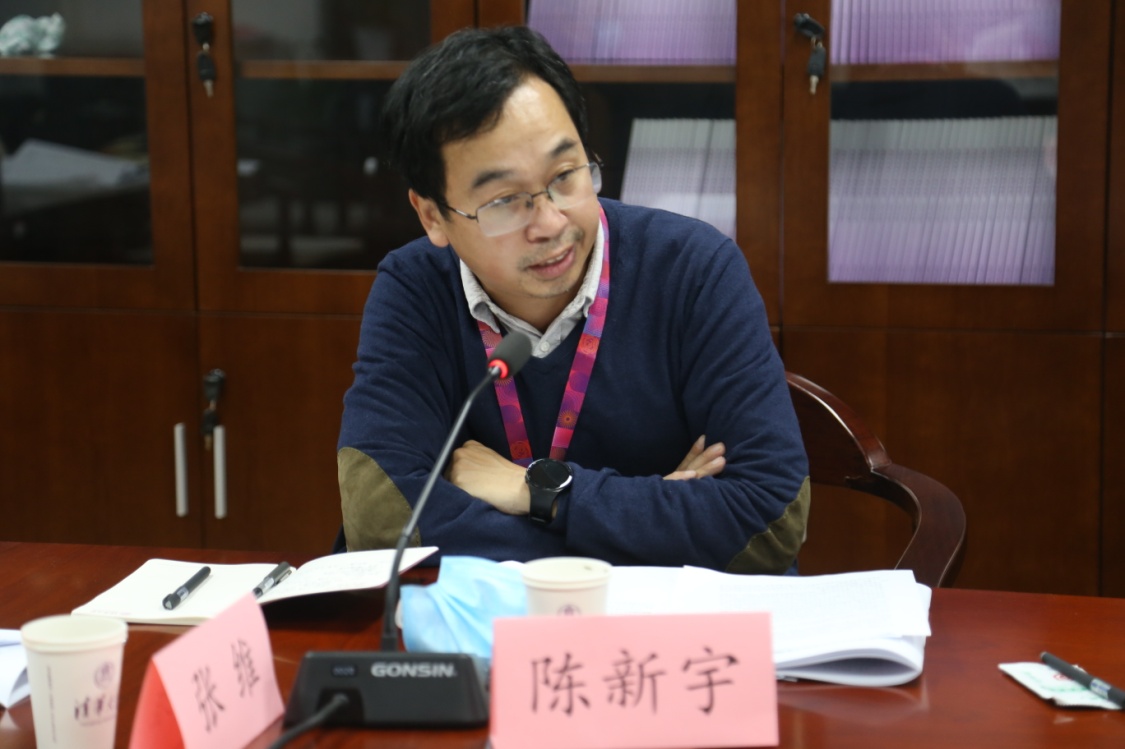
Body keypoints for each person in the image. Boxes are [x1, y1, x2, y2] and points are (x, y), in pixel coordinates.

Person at [336, 25, 809, 573]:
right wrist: (656, 517)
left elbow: (769, 519)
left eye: (566, 176)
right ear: (432, 216)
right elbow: (382, 521)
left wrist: (537, 491)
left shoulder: (694, 269)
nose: (551, 223)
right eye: (505, 201)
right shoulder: (414, 287)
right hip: (491, 619)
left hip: (670, 622)